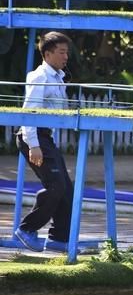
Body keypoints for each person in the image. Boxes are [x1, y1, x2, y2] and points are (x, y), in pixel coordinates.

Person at [14, 31, 73, 253]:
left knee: (67, 189)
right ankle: (26, 229)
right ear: (47, 54)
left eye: (67, 52)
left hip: (45, 136)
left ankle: (58, 239)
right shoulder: (39, 77)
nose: (66, 57)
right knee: (56, 186)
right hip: (33, 136)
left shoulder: (57, 76)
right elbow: (28, 112)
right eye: (61, 52)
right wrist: (34, 145)